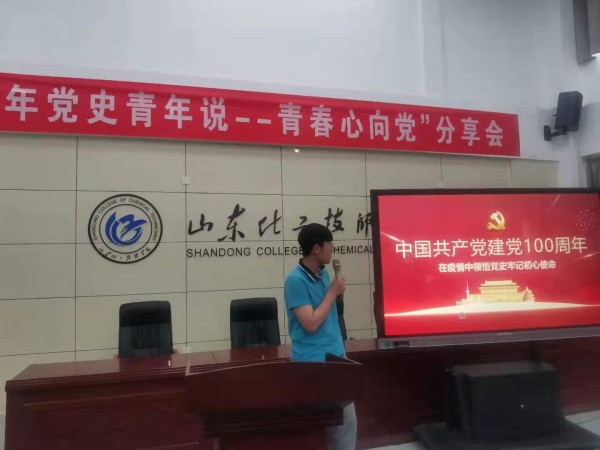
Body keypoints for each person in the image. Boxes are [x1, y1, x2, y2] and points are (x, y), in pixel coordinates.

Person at [284, 223, 357, 450]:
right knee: (318, 429)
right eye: (329, 245)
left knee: (345, 424)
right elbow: (311, 323)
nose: (332, 249)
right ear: (316, 248)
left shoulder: (324, 274)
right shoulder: (295, 280)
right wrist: (332, 292)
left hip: (336, 358)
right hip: (312, 364)